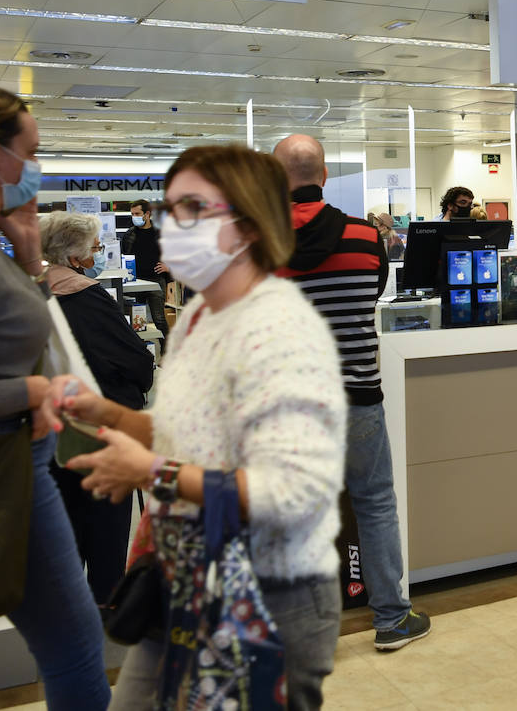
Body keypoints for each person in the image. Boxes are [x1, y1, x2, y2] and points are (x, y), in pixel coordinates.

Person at [47, 144, 347, 710]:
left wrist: (152, 472)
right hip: (185, 576)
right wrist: (106, 414)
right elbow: (182, 433)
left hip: (266, 598)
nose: (173, 227)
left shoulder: (278, 329)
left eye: (193, 211)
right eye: (172, 210)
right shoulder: (201, 318)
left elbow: (289, 493)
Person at [0, 85, 111, 710]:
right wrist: (30, 390)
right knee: (73, 642)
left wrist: (30, 262)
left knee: (75, 640)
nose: (39, 168)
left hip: (19, 470)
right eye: (31, 153)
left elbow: (26, 340)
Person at [271, 134, 432, 652]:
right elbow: (373, 294)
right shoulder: (365, 236)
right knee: (375, 502)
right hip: (358, 393)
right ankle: (391, 619)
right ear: (323, 173)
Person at [40, 211, 155, 606]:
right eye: (92, 247)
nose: (97, 253)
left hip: (51, 427)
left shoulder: (32, 295)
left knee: (65, 519)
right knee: (106, 518)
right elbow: (135, 360)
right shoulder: (88, 296)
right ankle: (106, 600)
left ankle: (69, 600)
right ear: (74, 256)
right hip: (104, 426)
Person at [123, 198, 172, 338]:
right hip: (135, 283)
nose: (134, 217)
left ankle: (167, 352)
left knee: (159, 320)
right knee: (135, 322)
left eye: (137, 214)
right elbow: (123, 255)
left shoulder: (161, 234)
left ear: (147, 214)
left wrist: (168, 267)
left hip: (156, 281)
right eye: (132, 214)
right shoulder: (129, 235)